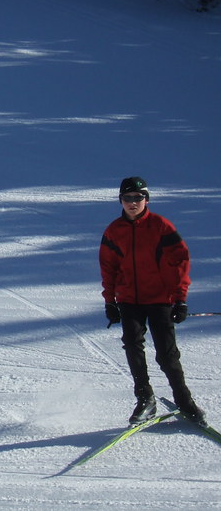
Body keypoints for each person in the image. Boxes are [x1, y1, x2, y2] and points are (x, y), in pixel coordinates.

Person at [99, 176, 205, 425]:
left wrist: (180, 299)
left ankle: (184, 401)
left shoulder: (161, 227)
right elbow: (108, 267)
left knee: (167, 355)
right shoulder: (114, 231)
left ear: (146, 199)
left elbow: (181, 262)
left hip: (159, 299)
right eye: (127, 198)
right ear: (120, 201)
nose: (133, 203)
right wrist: (110, 301)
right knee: (132, 344)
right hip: (129, 299)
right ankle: (145, 398)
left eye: (138, 198)